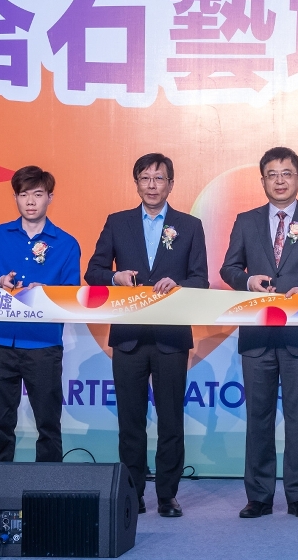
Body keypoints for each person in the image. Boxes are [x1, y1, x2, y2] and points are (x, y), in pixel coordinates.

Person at [85, 153, 209, 518]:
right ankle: (132, 492)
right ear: (136, 183)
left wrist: (179, 284)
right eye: (145, 178)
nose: (152, 185)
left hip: (171, 337)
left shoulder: (189, 226)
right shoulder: (118, 222)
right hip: (129, 337)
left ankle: (168, 495)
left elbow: (200, 279)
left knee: (171, 420)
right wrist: (115, 277)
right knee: (130, 422)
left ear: (171, 184)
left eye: (159, 178)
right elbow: (93, 271)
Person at [220, 147, 298, 519]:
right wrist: (247, 281)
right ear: (262, 181)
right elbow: (228, 268)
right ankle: (258, 496)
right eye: (272, 174)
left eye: (287, 173)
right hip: (257, 334)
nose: (280, 180)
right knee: (258, 417)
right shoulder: (246, 221)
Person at [0, 166, 81, 515]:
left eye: (38, 194)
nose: (30, 201)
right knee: (1, 425)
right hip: (1, 340)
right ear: (16, 198)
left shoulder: (66, 243)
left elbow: (72, 293)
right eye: (23, 194)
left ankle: (49, 498)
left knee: (48, 425)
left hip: (43, 345)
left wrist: (45, 292)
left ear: (50, 198)